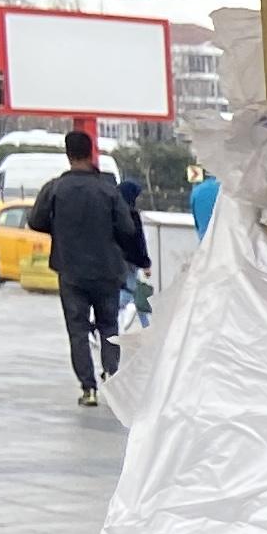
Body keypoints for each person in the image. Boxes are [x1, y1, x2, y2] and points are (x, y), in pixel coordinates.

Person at [26, 126, 149, 407]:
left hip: (71, 271)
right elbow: (127, 228)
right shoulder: (108, 189)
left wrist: (60, 230)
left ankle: (88, 388)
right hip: (107, 270)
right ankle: (111, 375)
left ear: (68, 154)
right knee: (109, 325)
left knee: (78, 330)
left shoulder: (55, 188)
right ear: (91, 153)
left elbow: (35, 221)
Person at [113, 160, 155, 322]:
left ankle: (146, 323)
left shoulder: (111, 210)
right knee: (128, 292)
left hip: (113, 259)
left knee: (134, 291)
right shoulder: (131, 214)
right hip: (130, 261)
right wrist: (145, 263)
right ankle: (109, 318)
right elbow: (138, 241)